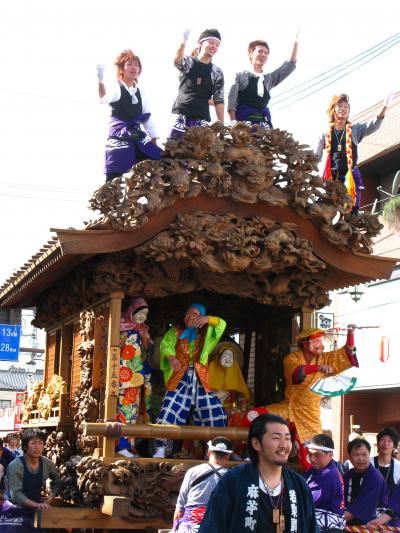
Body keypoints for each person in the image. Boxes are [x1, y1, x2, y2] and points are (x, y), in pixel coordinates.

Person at [241, 326, 358, 466]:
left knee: (311, 459)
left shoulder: (325, 358)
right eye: (317, 341)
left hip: (310, 416)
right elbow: (296, 373)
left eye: (321, 341)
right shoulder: (292, 358)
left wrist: (351, 334)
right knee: (251, 416)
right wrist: (318, 368)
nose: (321, 344)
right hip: (287, 409)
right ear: (305, 343)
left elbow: (347, 351)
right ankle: (241, 452)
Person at [199, 413, 318, 532]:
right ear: (256, 443)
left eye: (287, 438)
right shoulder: (234, 480)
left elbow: (311, 527)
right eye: (276, 438)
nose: (284, 445)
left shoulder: (299, 485)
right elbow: (212, 527)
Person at [153, 303, 227, 458]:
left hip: (201, 380)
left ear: (201, 316)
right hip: (180, 377)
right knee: (169, 409)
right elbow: (166, 344)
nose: (189, 317)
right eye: (187, 314)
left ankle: (218, 451)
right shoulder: (176, 331)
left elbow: (222, 325)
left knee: (215, 413)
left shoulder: (207, 332)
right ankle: (160, 449)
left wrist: (208, 319)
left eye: (194, 314)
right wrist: (171, 356)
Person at [316, 92, 393, 211]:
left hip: (350, 175)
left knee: (351, 210)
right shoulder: (325, 133)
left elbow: (373, 125)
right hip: (332, 177)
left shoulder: (354, 130)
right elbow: (316, 156)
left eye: (346, 107)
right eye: (340, 106)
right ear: (333, 109)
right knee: (328, 208)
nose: (343, 109)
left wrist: (384, 107)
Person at [96, 49, 162, 181]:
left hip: (136, 135)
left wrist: (153, 137)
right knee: (114, 177)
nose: (134, 67)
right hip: (119, 136)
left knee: (161, 160)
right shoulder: (117, 88)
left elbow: (146, 116)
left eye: (136, 65)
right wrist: (101, 81)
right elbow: (103, 98)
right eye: (129, 64)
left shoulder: (141, 92)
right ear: (122, 69)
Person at [228, 31, 299, 128]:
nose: (263, 55)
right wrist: (233, 124)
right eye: (260, 51)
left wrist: (296, 41)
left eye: (266, 53)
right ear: (251, 54)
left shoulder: (269, 79)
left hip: (264, 126)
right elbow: (232, 102)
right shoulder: (240, 76)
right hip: (244, 126)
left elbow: (290, 65)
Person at [169, 29, 224, 139]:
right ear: (200, 43)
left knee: (199, 153)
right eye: (211, 42)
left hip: (202, 117)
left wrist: (221, 125)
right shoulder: (189, 62)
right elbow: (177, 61)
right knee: (173, 151)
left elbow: (219, 100)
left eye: (217, 44)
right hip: (181, 114)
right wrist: (183, 42)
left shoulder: (216, 72)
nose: (214, 46)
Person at [116, 297, 153, 457]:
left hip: (138, 376)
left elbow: (146, 352)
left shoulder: (142, 329)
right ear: (132, 311)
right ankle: (120, 446)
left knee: (134, 412)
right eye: (140, 313)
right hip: (124, 376)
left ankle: (130, 446)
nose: (142, 317)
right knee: (124, 410)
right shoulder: (121, 326)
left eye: (145, 314)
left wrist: (145, 337)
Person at [7, 428, 62, 531]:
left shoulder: (47, 464)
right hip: (16, 511)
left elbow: (57, 482)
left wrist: (49, 499)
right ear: (25, 446)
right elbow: (16, 495)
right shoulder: (15, 466)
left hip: (37, 511)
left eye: (40, 443)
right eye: (33, 443)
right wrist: (37, 505)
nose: (37, 447)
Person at [173, 437, 232, 532]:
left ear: (208, 453)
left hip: (189, 529)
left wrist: (174, 529)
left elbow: (180, 508)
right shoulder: (232, 477)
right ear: (227, 457)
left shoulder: (192, 472)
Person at [304, 434, 346, 531]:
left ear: (330, 455)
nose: (312, 459)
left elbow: (308, 500)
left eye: (317, 455)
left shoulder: (328, 474)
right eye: (310, 454)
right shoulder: (316, 469)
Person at [344, 437, 389, 526]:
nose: (361, 459)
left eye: (365, 454)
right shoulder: (347, 475)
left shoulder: (374, 477)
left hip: (375, 525)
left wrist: (335, 519)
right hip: (351, 524)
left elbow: (359, 508)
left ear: (369, 455)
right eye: (356, 455)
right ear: (349, 456)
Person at [208, 340, 252, 423]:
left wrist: (238, 409)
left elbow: (243, 401)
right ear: (218, 358)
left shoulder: (236, 378)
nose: (227, 359)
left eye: (230, 356)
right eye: (225, 356)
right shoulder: (208, 376)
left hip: (231, 415)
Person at [371, 426, 400, 495]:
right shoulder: (369, 463)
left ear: (394, 446)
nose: (385, 443)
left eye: (389, 441)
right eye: (382, 440)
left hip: (390, 505)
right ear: (377, 443)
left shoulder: (398, 466)